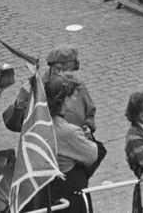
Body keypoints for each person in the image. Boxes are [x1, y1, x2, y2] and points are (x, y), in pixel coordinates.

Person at [36, 75, 100, 213]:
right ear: (64, 100)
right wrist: (85, 138)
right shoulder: (68, 131)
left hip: (45, 189)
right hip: (69, 191)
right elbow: (92, 154)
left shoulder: (39, 122)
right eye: (74, 97)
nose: (76, 99)